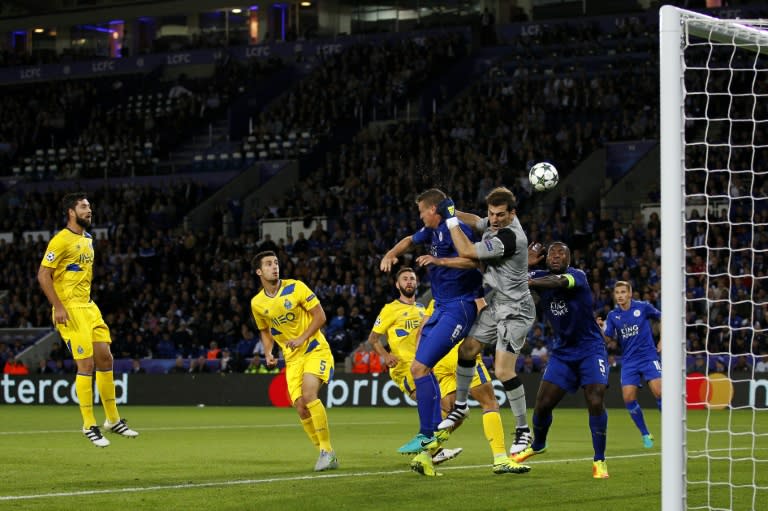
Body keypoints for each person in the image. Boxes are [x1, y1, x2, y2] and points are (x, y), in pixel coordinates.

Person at [380, 189, 527, 476]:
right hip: (442, 310)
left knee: (484, 398)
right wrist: (391, 253)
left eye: (423, 211)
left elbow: (475, 260)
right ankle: (427, 451)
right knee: (426, 377)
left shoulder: (455, 230)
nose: (420, 216)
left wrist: (440, 261)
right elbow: (411, 239)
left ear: (434, 210)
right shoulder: (431, 231)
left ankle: (498, 456)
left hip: (459, 309)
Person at [435, 187, 537, 456]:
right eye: (491, 213)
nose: (493, 219)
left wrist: (450, 220)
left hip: (516, 309)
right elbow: (477, 221)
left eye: (500, 215)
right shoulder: (493, 222)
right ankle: (459, 405)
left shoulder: (510, 237)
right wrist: (454, 210)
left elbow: (467, 250)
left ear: (512, 214)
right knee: (467, 350)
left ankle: (523, 431)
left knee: (503, 372)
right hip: (497, 304)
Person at [37, 192, 139, 448]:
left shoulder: (89, 239)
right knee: (86, 364)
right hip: (69, 309)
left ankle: (113, 420)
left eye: (89, 206)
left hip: (89, 307)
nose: (89, 210)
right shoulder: (60, 240)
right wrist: (58, 306)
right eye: (84, 207)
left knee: (105, 358)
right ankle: (88, 424)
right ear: (71, 212)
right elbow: (43, 275)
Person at [513, 241, 610, 479]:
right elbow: (506, 274)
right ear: (545, 258)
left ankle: (599, 460)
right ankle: (538, 445)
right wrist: (526, 264)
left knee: (595, 399)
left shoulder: (577, 276)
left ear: (569, 259)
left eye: (562, 253)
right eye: (552, 252)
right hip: (563, 352)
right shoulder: (537, 273)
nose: (556, 255)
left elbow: (558, 282)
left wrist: (529, 281)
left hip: (591, 350)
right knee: (543, 404)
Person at [250, 250, 338, 472]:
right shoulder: (257, 303)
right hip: (292, 358)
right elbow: (266, 331)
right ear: (259, 271)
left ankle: (326, 452)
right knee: (300, 407)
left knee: (309, 395)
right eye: (269, 264)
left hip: (314, 348)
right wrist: (269, 352)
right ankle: (325, 452)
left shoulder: (296, 287)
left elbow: (320, 316)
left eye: (276, 263)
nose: (274, 267)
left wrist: (301, 338)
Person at [599, 281, 661, 448]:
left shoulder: (643, 307)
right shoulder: (613, 316)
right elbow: (608, 338)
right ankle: (645, 434)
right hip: (629, 361)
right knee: (628, 398)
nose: (619, 295)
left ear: (630, 293)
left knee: (660, 393)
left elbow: (662, 317)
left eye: (623, 292)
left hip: (648, 357)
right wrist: (600, 329)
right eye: (617, 292)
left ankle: (670, 429)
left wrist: (663, 339)